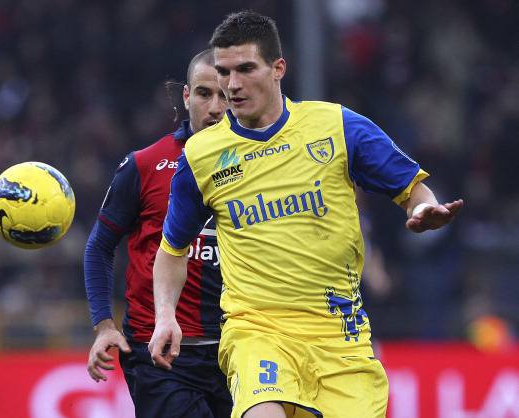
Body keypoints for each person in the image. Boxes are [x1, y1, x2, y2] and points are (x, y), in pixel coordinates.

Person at [148, 11, 463, 418]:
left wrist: (423, 209)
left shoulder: (338, 127)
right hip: (257, 331)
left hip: (340, 337)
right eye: (224, 72)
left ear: (278, 68)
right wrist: (165, 316)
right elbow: (172, 249)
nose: (233, 84)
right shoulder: (202, 155)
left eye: (246, 69)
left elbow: (413, 190)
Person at [84, 49, 232, 418]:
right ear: (186, 96)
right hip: (161, 355)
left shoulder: (262, 166)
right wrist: (103, 324)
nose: (215, 108)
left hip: (238, 350)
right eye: (204, 94)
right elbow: (99, 246)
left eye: (225, 96)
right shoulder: (145, 164)